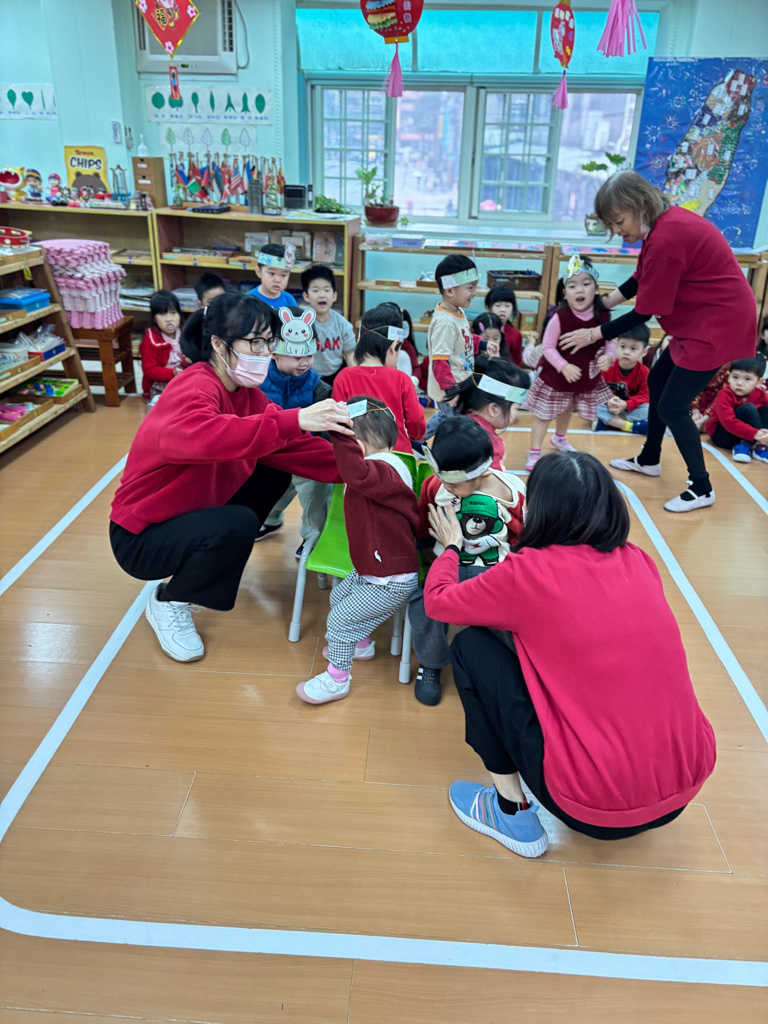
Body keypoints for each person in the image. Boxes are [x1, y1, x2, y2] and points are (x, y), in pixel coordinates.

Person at [424, 451, 716, 858]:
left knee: (471, 647)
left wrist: (452, 547)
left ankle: (509, 810)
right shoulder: (638, 560)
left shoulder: (528, 573)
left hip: (590, 806)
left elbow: (438, 601)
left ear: (538, 509)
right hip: (687, 782)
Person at [109, 292, 352, 664]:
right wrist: (297, 418)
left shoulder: (247, 393)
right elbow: (207, 437)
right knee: (237, 524)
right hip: (141, 535)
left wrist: (363, 466)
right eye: (255, 342)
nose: (265, 352)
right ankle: (170, 600)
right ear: (219, 345)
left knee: (274, 470)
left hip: (190, 511)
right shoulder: (193, 386)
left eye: (268, 342)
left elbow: (289, 446)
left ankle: (205, 554)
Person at [562, 171, 756, 512]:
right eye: (611, 225)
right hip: (699, 318)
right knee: (658, 380)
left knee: (672, 407)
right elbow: (641, 277)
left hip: (716, 325)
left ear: (640, 206)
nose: (617, 231)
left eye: (619, 222)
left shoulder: (668, 237)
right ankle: (650, 458)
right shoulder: (661, 225)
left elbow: (644, 312)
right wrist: (603, 303)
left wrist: (593, 333)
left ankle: (702, 487)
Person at [296, 397, 420, 705]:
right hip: (374, 570)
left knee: (339, 620)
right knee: (339, 597)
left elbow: (355, 473)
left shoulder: (383, 471)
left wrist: (339, 433)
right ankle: (360, 645)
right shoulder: (384, 467)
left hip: (390, 579)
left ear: (358, 446)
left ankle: (337, 679)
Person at [409, 417, 525, 706]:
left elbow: (521, 535)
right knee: (424, 605)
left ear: (482, 474)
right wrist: (425, 546)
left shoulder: (511, 491)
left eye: (455, 485)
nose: (447, 488)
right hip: (446, 565)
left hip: (495, 570)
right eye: (443, 481)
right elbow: (424, 517)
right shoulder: (436, 485)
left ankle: (510, 664)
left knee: (512, 611)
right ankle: (431, 662)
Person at [254, 307, 334, 554]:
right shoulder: (257, 381)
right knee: (271, 494)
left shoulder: (317, 386)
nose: (304, 362)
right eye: (296, 356)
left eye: (309, 354)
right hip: (270, 456)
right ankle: (271, 520)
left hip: (306, 457)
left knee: (315, 496)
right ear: (274, 353)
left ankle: (312, 538)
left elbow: (327, 427)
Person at [524, 255, 614, 471]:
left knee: (567, 409)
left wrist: (609, 356)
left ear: (596, 288)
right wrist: (563, 366)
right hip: (555, 377)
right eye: (572, 286)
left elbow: (611, 342)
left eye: (586, 284)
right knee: (544, 416)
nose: (579, 290)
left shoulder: (603, 315)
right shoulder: (559, 316)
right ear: (565, 293)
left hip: (583, 377)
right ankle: (534, 451)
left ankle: (560, 438)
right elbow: (548, 347)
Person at [332, 303, 426, 453]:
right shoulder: (402, 379)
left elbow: (337, 423)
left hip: (357, 455)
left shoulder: (343, 377)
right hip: (397, 456)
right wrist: (416, 435)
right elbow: (416, 422)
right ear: (394, 346)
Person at [426, 254, 479, 437]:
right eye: (470, 288)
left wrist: (482, 344)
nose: (474, 292)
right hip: (451, 390)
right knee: (458, 428)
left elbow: (463, 340)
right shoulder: (445, 323)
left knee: (444, 418)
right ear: (449, 291)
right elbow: (440, 362)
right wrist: (451, 392)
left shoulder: (457, 311)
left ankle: (416, 439)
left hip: (460, 384)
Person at [448, 354, 530, 469]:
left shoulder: (456, 425)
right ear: (494, 409)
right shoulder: (489, 445)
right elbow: (492, 479)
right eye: (516, 408)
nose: (516, 416)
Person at [704, 356, 768, 463]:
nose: (739, 383)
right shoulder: (724, 394)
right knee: (748, 408)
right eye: (735, 377)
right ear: (729, 377)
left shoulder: (760, 394)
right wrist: (758, 434)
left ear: (759, 382)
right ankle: (747, 444)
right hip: (722, 436)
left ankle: (760, 446)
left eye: (747, 379)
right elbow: (728, 422)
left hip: (750, 434)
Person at [300, 263, 356, 384]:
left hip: (337, 373)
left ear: (334, 296)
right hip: (309, 375)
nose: (322, 295)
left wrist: (355, 378)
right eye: (315, 290)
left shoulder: (342, 324)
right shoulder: (301, 324)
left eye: (326, 290)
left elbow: (350, 353)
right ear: (306, 296)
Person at [594, 323, 650, 434]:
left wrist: (626, 405)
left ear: (644, 352)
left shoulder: (645, 372)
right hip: (609, 406)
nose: (626, 352)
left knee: (650, 409)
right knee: (591, 403)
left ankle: (608, 422)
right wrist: (609, 401)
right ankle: (629, 426)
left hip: (629, 408)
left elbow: (645, 396)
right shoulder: (607, 366)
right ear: (616, 345)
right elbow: (597, 390)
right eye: (623, 347)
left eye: (633, 349)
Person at [139, 289, 186, 405]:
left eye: (173, 312)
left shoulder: (185, 333)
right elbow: (149, 370)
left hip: (183, 378)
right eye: (162, 314)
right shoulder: (150, 339)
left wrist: (187, 361)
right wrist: (172, 373)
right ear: (154, 317)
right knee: (168, 403)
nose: (169, 318)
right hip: (161, 382)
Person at [247, 243, 297, 309]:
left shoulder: (289, 300)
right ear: (259, 272)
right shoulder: (249, 299)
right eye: (272, 273)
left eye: (283, 275)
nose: (277, 280)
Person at [485, 284, 523, 365]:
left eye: (507, 306)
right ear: (488, 308)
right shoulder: (481, 329)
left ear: (513, 309)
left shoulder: (515, 335)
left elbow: (516, 363)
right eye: (498, 305)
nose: (502, 310)